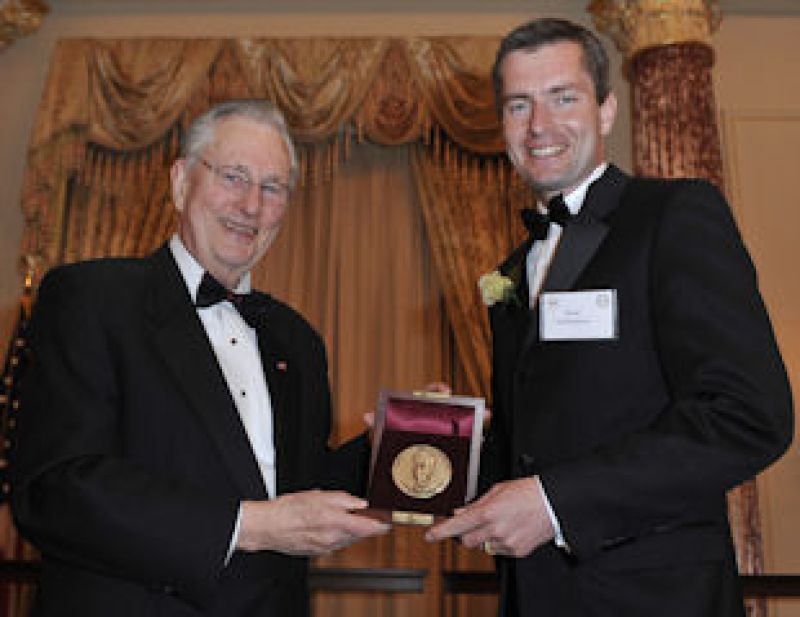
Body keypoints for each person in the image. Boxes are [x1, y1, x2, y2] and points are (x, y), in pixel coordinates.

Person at [425, 18, 793, 617]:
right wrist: (452, 442)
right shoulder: (510, 274)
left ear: (606, 110)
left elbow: (751, 416)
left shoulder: (675, 215)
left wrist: (554, 504)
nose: (539, 125)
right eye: (519, 105)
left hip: (656, 597)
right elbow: (538, 446)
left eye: (562, 98)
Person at [11, 99, 389, 617]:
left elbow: (298, 492)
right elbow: (58, 488)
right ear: (181, 182)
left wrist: (401, 440)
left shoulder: (296, 339)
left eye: (272, 187)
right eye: (234, 177)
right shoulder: (92, 299)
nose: (252, 205)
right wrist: (250, 525)